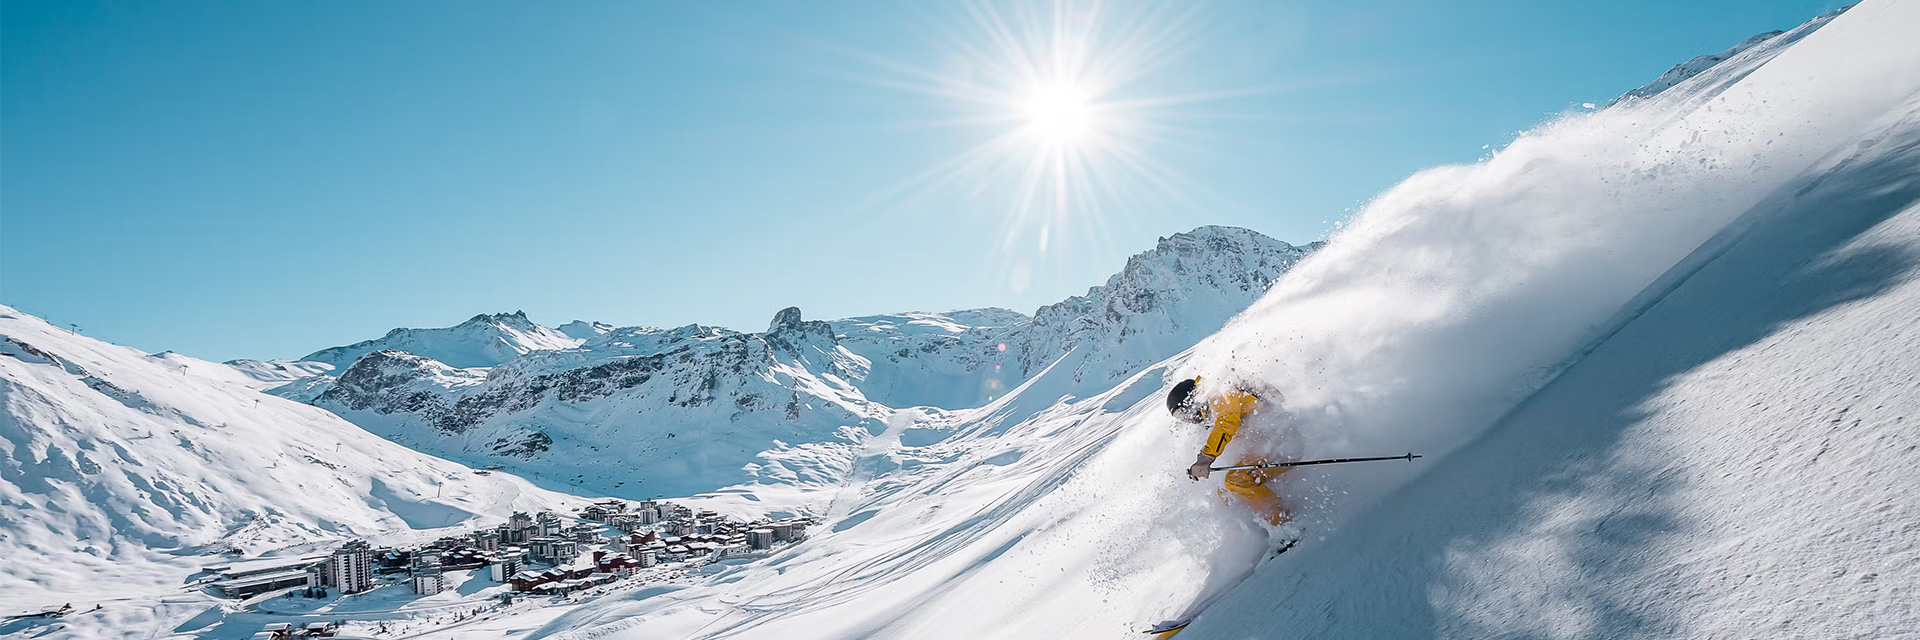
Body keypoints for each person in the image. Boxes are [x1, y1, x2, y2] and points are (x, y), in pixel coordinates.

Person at [1166, 377, 1289, 526]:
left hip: (1285, 441)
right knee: (1225, 491)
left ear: (1191, 401)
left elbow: (1227, 423)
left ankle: (1283, 524)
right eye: (1181, 418)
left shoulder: (1219, 392)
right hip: (1273, 441)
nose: (1188, 419)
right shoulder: (1213, 406)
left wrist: (1205, 458)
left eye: (1184, 413)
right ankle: (1253, 530)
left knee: (1236, 481)